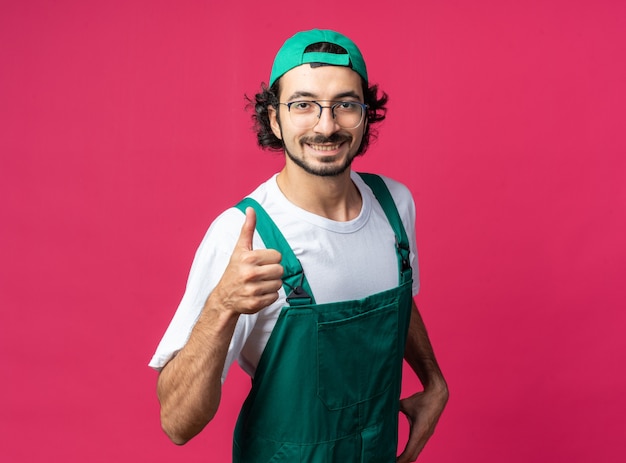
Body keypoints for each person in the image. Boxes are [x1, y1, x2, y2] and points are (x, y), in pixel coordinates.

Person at [149, 29, 448, 462]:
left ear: (365, 115)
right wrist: (222, 305)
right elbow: (176, 424)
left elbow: (399, 298)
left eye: (345, 104)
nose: (326, 126)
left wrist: (433, 380)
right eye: (303, 105)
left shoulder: (395, 205)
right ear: (274, 118)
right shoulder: (242, 238)